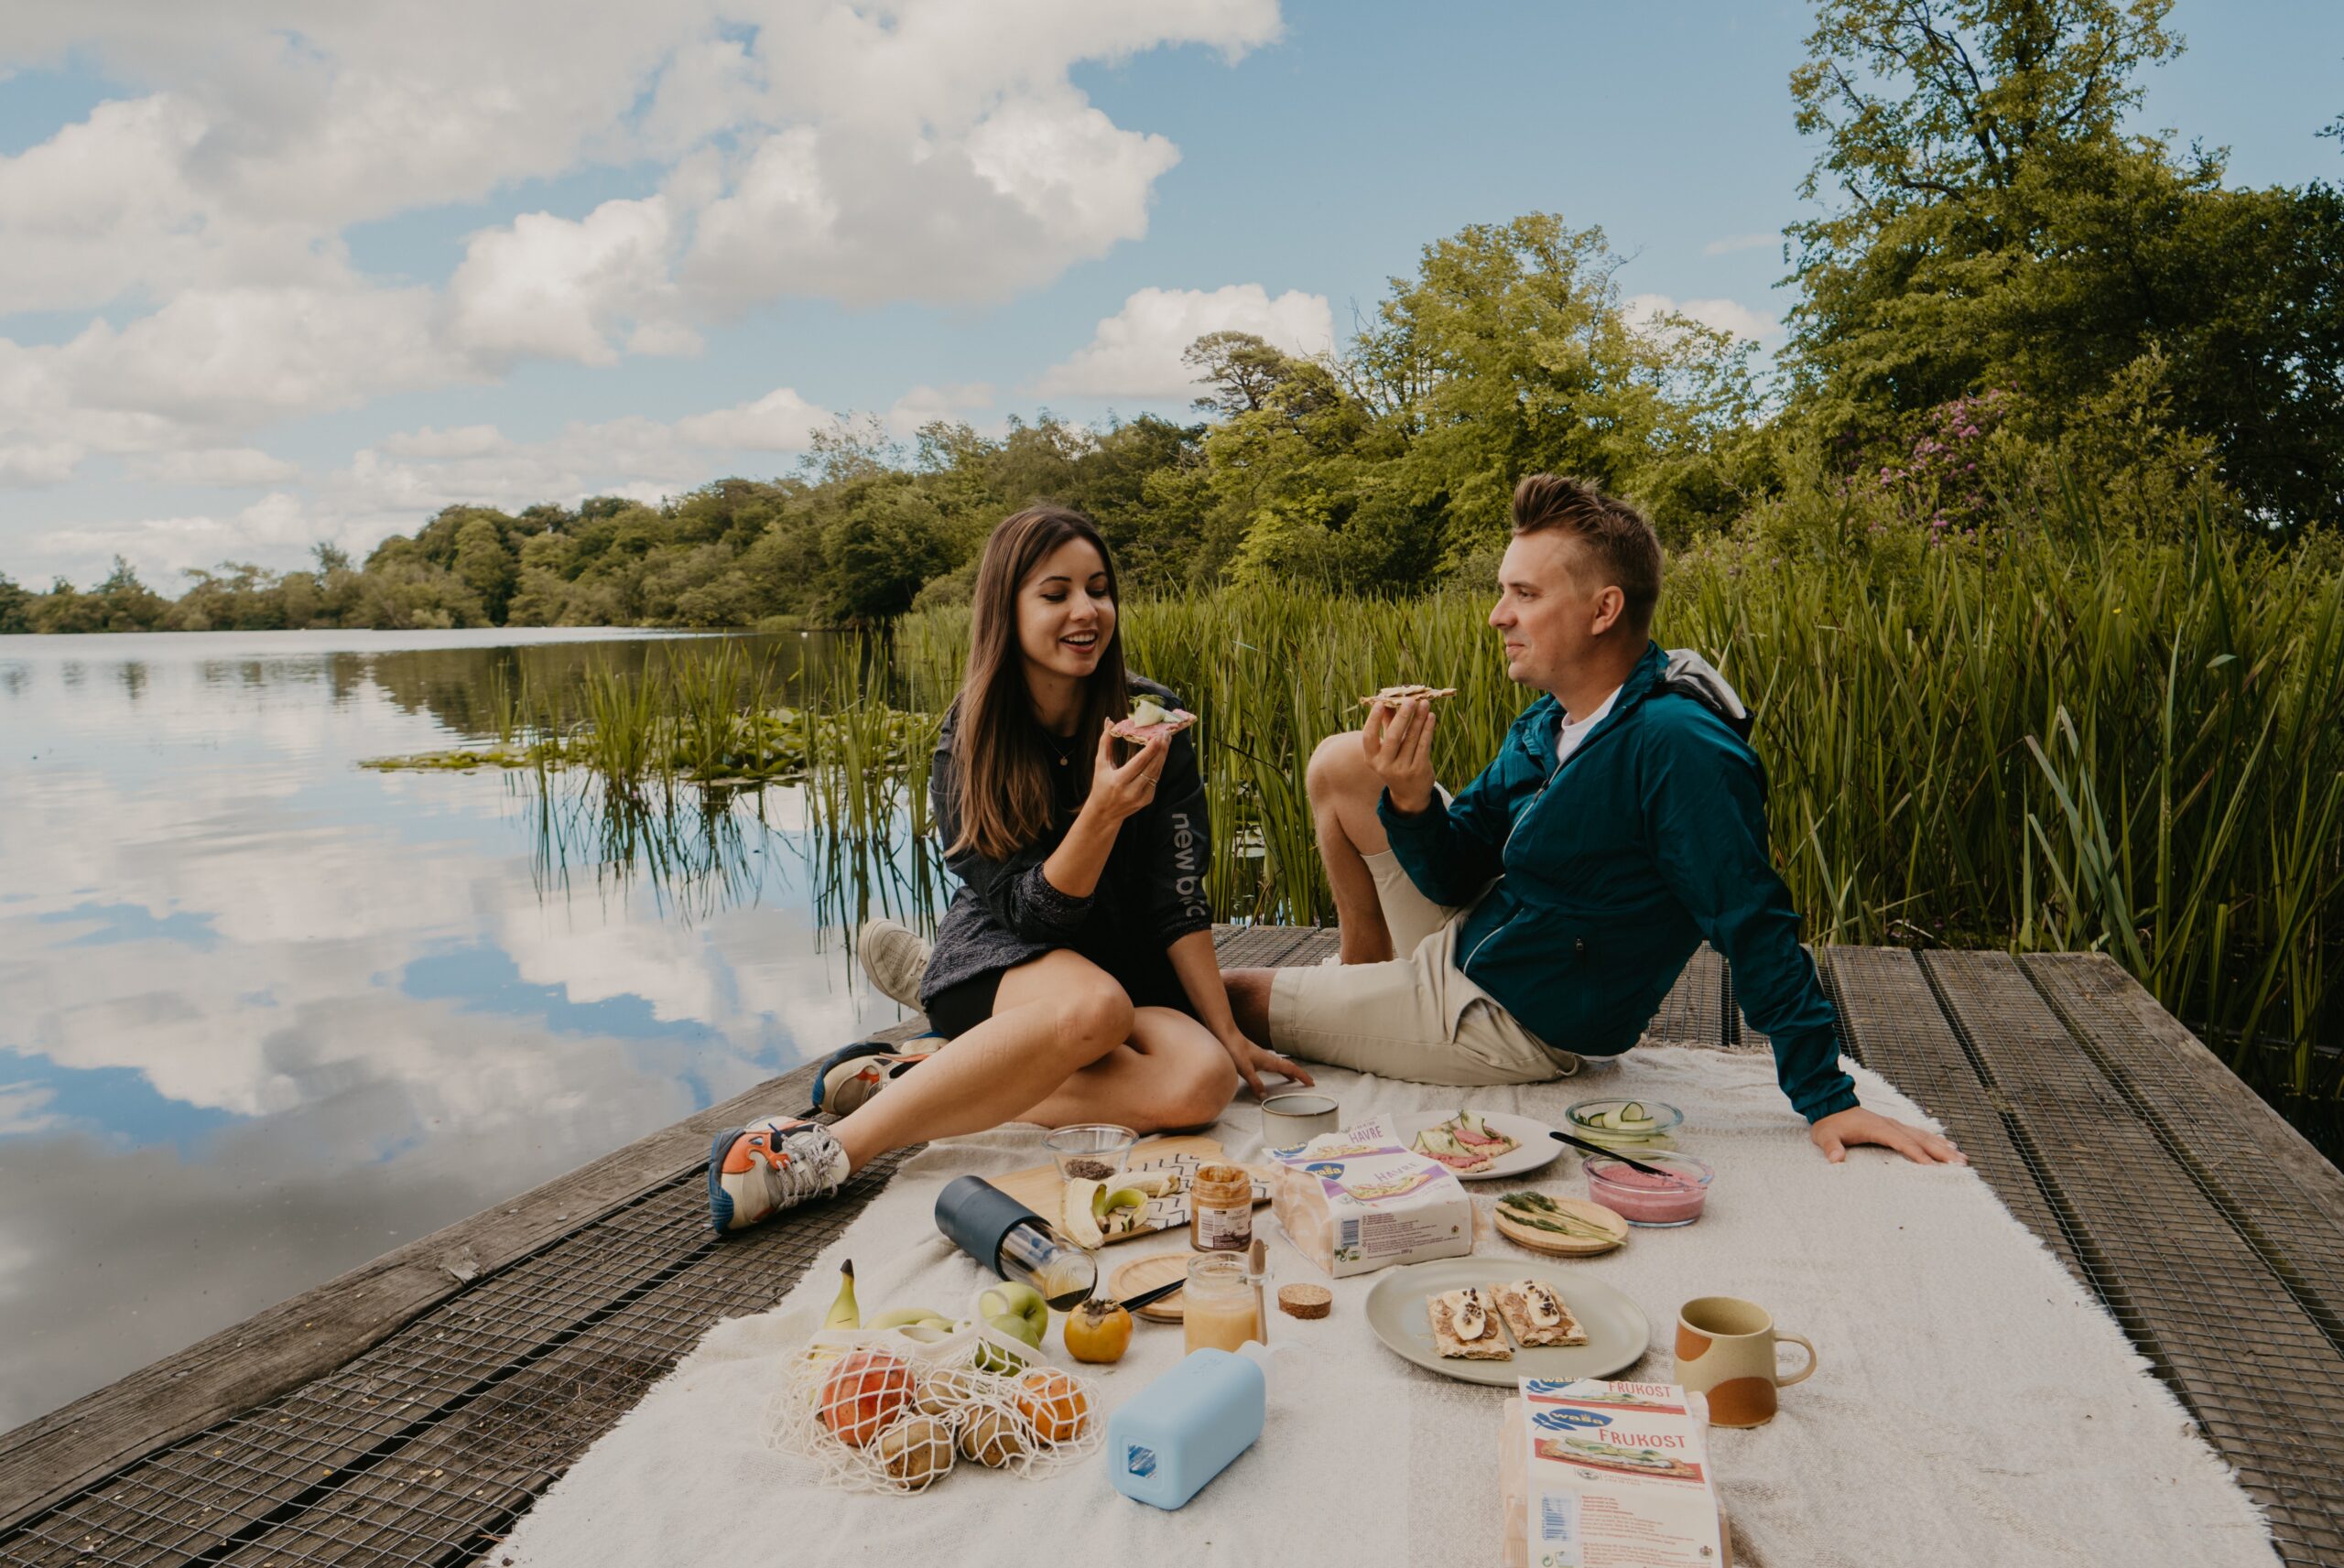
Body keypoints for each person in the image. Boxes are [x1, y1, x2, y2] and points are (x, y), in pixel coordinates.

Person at [1220, 474, 1964, 1166]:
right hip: (1484, 938)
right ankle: (1362, 976)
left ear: (1604, 609)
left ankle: (1353, 1004)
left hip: (1516, 1017)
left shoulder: (1676, 747)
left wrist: (1826, 1098)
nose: (1497, 614)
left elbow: (1751, 918)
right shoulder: (1553, 719)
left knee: (1230, 995)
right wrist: (1411, 798)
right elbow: (1456, 871)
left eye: (1523, 593)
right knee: (1344, 760)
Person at [708, 504, 1311, 1234]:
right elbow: (1030, 914)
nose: (1086, 611)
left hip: (1124, 974)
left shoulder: (1156, 719)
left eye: (1098, 588)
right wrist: (1100, 814)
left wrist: (1227, 1029)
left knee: (1202, 1081)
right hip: (1005, 964)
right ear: (1008, 609)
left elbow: (1178, 897)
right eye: (1055, 594)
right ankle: (831, 1151)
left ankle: (919, 1077)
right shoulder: (969, 740)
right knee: (1096, 1009)